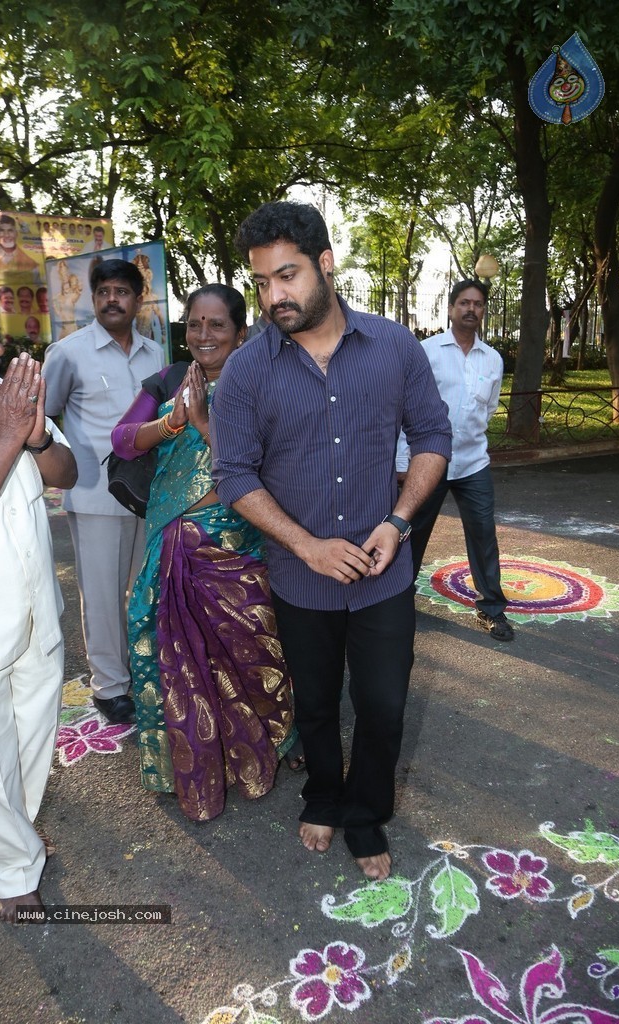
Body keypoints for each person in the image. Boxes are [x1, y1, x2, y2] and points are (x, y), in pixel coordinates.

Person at [211, 202, 452, 880]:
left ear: (324, 263)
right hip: (298, 576)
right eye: (260, 282)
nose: (273, 296)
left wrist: (397, 520)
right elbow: (233, 475)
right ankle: (322, 793)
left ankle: (365, 811)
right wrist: (307, 545)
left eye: (286, 276)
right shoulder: (248, 371)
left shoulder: (394, 347)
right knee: (314, 704)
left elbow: (433, 436)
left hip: (384, 570)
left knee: (382, 704)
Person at [112, 283, 301, 819]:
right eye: (195, 323)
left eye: (217, 325)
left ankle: (269, 742)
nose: (203, 334)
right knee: (178, 658)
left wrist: (203, 423)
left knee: (252, 647)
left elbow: (265, 468)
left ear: (241, 334)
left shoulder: (263, 385)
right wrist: (172, 418)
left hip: (238, 543)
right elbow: (123, 440)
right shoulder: (168, 380)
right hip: (173, 540)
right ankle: (196, 762)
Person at [0, 285, 77, 923]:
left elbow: (68, 473)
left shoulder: (6, 396)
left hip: (37, 612)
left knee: (34, 738)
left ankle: (7, 830)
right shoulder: (1, 413)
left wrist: (33, 439)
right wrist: (8, 436)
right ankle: (12, 869)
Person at [43, 259, 164, 723]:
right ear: (93, 300)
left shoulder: (155, 354)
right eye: (104, 292)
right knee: (101, 594)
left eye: (122, 292)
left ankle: (139, 670)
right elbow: (47, 417)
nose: (112, 299)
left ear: (138, 300)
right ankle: (110, 687)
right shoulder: (68, 353)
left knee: (141, 591)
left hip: (146, 495)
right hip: (94, 493)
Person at [399, 279, 514, 642]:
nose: (470, 310)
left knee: (483, 535)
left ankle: (491, 609)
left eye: (477, 304)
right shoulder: (426, 352)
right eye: (464, 302)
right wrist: (404, 460)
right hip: (426, 462)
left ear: (483, 311)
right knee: (410, 532)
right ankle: (398, 602)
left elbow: (490, 408)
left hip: (472, 463)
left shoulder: (492, 359)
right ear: (450, 309)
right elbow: (405, 409)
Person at [0, 214, 40, 281]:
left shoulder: (30, 263)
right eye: (2, 231)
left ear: (16, 233)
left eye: (10, 230)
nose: (6, 235)